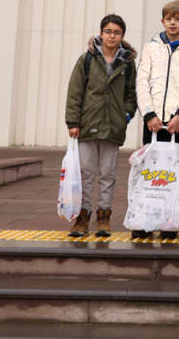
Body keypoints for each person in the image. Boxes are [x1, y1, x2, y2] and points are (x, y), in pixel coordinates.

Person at [64, 14, 137, 238]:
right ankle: (82, 218)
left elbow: (131, 94)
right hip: (87, 124)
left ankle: (104, 218)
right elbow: (75, 92)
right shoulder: (86, 59)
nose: (111, 36)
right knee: (85, 174)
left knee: (108, 174)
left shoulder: (127, 63)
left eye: (116, 32)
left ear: (122, 36)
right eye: (108, 31)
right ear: (101, 33)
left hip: (113, 127)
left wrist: (125, 115)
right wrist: (73, 122)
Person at [133, 0, 179, 239]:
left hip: (174, 123)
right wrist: (148, 114)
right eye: (169, 18)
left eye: (178, 19)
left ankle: (169, 222)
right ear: (163, 21)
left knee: (172, 172)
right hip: (152, 122)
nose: (173, 23)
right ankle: (143, 222)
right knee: (148, 171)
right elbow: (142, 82)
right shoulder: (151, 47)